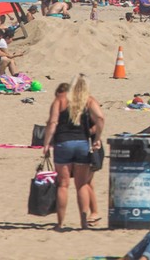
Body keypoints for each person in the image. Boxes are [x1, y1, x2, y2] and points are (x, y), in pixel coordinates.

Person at [42, 74, 106, 229]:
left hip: (63, 144)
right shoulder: (88, 101)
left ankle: (60, 223)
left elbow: (52, 122)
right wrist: (97, 138)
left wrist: (46, 144)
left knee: (63, 185)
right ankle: (84, 223)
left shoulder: (60, 101)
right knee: (82, 185)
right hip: (82, 144)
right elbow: (100, 118)